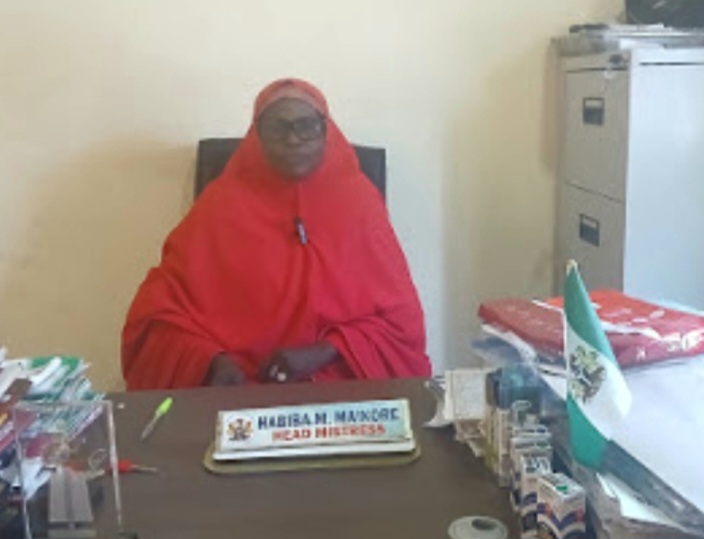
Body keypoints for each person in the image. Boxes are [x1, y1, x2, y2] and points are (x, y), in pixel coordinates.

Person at [121, 79, 431, 389]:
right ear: (256, 135)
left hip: (336, 383)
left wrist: (324, 351)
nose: (292, 138)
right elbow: (157, 318)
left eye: (306, 126)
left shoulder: (359, 203)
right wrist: (211, 359)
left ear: (327, 131)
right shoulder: (220, 204)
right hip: (240, 390)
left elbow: (400, 324)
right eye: (276, 127)